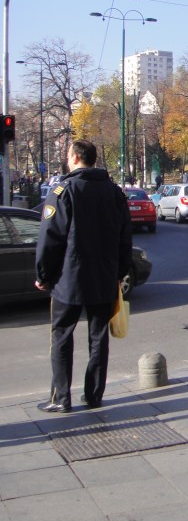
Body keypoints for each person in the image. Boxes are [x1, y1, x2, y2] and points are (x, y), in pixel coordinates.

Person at [35, 140, 132, 413]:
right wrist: (119, 273)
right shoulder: (114, 192)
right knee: (99, 336)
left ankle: (60, 397)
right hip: (103, 277)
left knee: (62, 335)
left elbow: (50, 238)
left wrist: (43, 274)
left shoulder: (62, 190)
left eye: (68, 155)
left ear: (76, 157)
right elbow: (125, 238)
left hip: (69, 277)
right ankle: (93, 395)